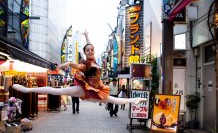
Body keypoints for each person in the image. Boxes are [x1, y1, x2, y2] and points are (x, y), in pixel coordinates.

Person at [12, 30, 147, 106]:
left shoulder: (93, 60)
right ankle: (27, 89)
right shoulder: (85, 64)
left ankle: (133, 100)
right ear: (85, 52)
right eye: (87, 50)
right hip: (84, 90)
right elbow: (75, 65)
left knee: (114, 100)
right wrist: (68, 63)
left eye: (91, 49)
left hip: (97, 90)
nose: (90, 51)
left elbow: (89, 44)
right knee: (57, 91)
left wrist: (87, 35)